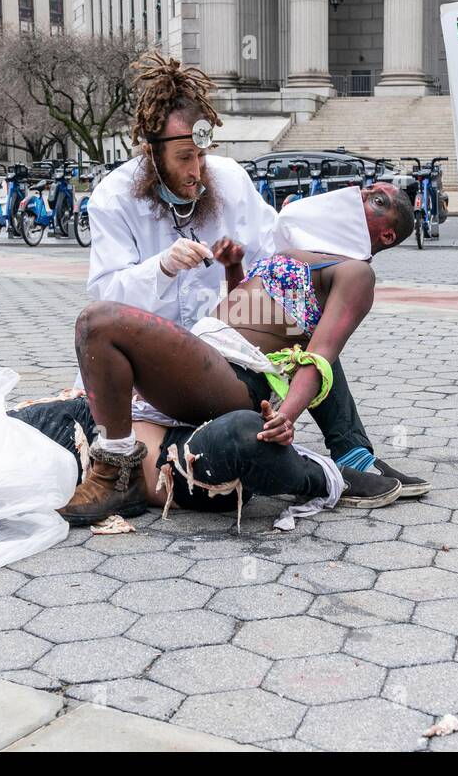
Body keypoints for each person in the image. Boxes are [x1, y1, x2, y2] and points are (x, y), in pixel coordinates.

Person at [85, 51, 430, 498]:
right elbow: (107, 297)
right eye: (184, 157)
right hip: (165, 364)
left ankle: (351, 454)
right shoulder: (113, 198)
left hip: (228, 356)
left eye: (203, 155)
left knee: (307, 320)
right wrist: (162, 267)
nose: (197, 170)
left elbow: (270, 283)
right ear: (153, 154)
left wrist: (237, 266)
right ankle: (328, 469)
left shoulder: (227, 179)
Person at [62, 183, 415, 523]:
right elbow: (251, 316)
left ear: (386, 236)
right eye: (369, 190)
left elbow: (318, 358)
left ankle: (112, 475)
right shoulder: (305, 250)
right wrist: (234, 269)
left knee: (99, 321)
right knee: (99, 340)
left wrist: (286, 417)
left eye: (379, 201)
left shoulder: (356, 273)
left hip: (235, 378)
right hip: (212, 356)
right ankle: (351, 456)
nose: (364, 194)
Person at [0, 394, 342, 546]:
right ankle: (313, 476)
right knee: (241, 436)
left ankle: (313, 474)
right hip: (163, 466)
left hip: (158, 451)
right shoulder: (9, 472)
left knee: (244, 434)